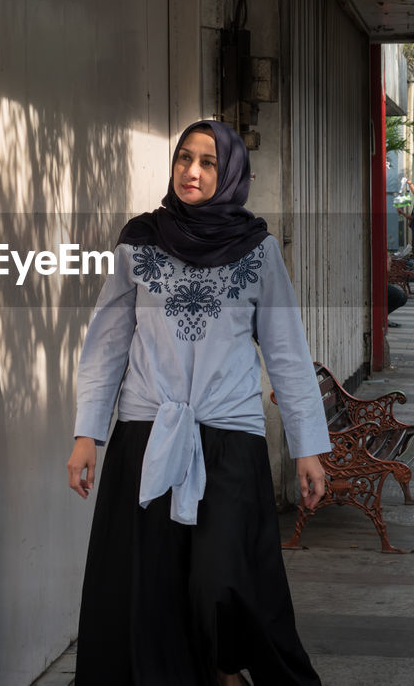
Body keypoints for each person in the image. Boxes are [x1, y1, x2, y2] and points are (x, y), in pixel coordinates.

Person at [66, 119, 331, 686]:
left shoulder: (257, 251)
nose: (192, 171)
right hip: (147, 436)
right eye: (184, 158)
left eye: (208, 162)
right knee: (153, 587)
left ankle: (225, 672)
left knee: (221, 583)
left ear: (230, 172)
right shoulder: (140, 242)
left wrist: (308, 447)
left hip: (229, 439)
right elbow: (107, 343)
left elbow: (286, 353)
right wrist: (88, 432)